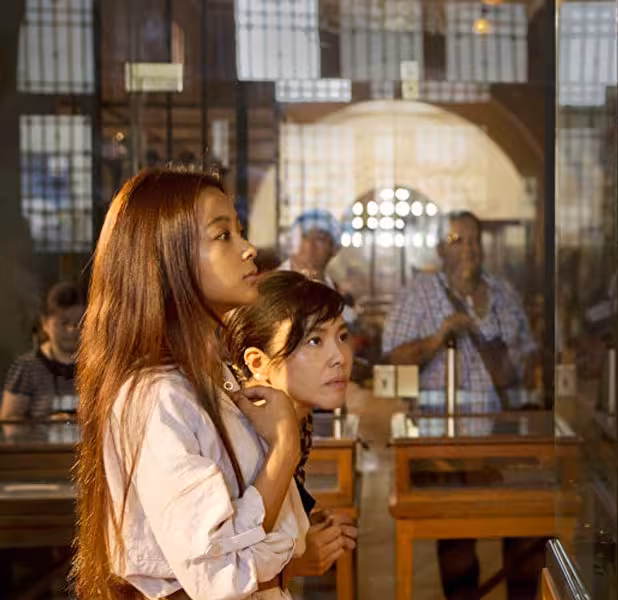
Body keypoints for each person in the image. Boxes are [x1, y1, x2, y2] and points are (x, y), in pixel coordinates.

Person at [73, 168, 308, 599]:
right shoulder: (156, 395)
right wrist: (284, 448)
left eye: (239, 231)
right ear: (166, 258)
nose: (249, 249)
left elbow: (280, 541)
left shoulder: (206, 378)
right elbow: (222, 575)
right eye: (223, 236)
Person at [382, 210, 540, 600]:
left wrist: (530, 368)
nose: (468, 249)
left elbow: (530, 356)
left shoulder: (503, 292)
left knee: (526, 531)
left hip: (504, 436)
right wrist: (438, 339)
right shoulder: (418, 294)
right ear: (440, 249)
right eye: (458, 241)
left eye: (474, 240)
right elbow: (393, 360)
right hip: (443, 440)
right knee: (455, 537)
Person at [223, 270, 359, 577]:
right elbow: (217, 565)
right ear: (258, 363)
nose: (339, 356)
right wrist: (293, 562)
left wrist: (305, 519)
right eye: (314, 340)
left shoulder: (299, 418)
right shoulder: (237, 437)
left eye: (342, 336)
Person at [1, 282, 84, 420]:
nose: (72, 330)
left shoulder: (100, 367)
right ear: (45, 323)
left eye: (79, 323)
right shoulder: (26, 368)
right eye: (63, 323)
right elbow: (9, 422)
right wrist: (45, 425)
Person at [279, 209, 356, 325]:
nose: (309, 245)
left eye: (320, 239)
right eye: (304, 236)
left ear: (335, 249)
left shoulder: (336, 292)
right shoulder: (273, 285)